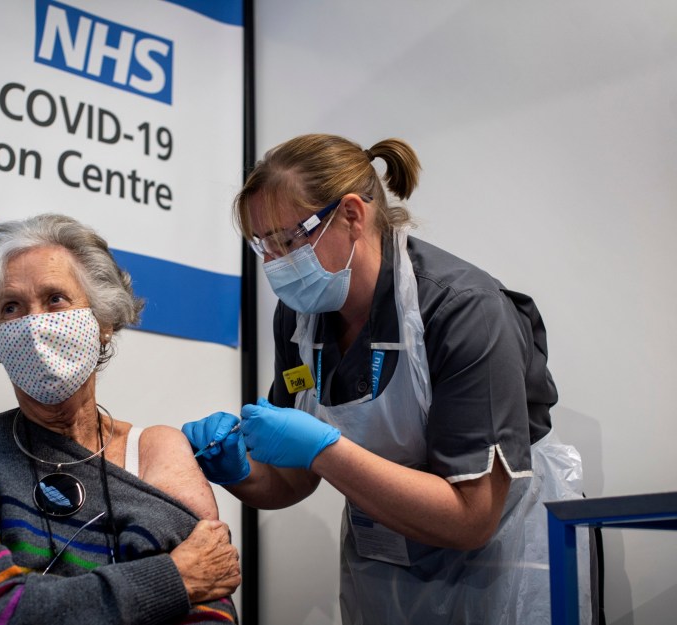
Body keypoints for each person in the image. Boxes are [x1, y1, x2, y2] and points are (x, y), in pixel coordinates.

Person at [183, 134, 588, 624]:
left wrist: (325, 449)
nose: (275, 263)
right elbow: (296, 479)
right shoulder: (300, 319)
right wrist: (241, 473)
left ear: (352, 215)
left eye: (289, 239)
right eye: (262, 244)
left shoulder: (463, 309)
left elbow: (472, 517)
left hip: (500, 564)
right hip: (386, 566)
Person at [0, 214, 240, 624]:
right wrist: (172, 578)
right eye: (11, 307)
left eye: (55, 299)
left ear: (103, 322)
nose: (34, 325)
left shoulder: (156, 453)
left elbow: (211, 596)